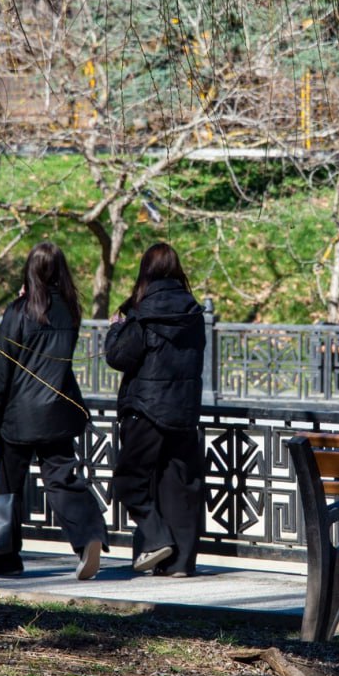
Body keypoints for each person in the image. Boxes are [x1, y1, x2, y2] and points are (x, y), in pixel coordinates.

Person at [0, 241, 108, 579]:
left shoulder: (19, 312)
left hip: (18, 415)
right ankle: (88, 536)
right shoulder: (71, 311)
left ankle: (5, 559)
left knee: (7, 486)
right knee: (62, 479)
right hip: (57, 411)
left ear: (30, 271)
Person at [104, 242, 206, 577]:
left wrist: (116, 328)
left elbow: (118, 357)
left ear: (146, 271)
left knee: (128, 480)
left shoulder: (143, 312)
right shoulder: (193, 313)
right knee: (179, 485)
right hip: (183, 409)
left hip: (146, 408)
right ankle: (180, 563)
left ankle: (157, 538)